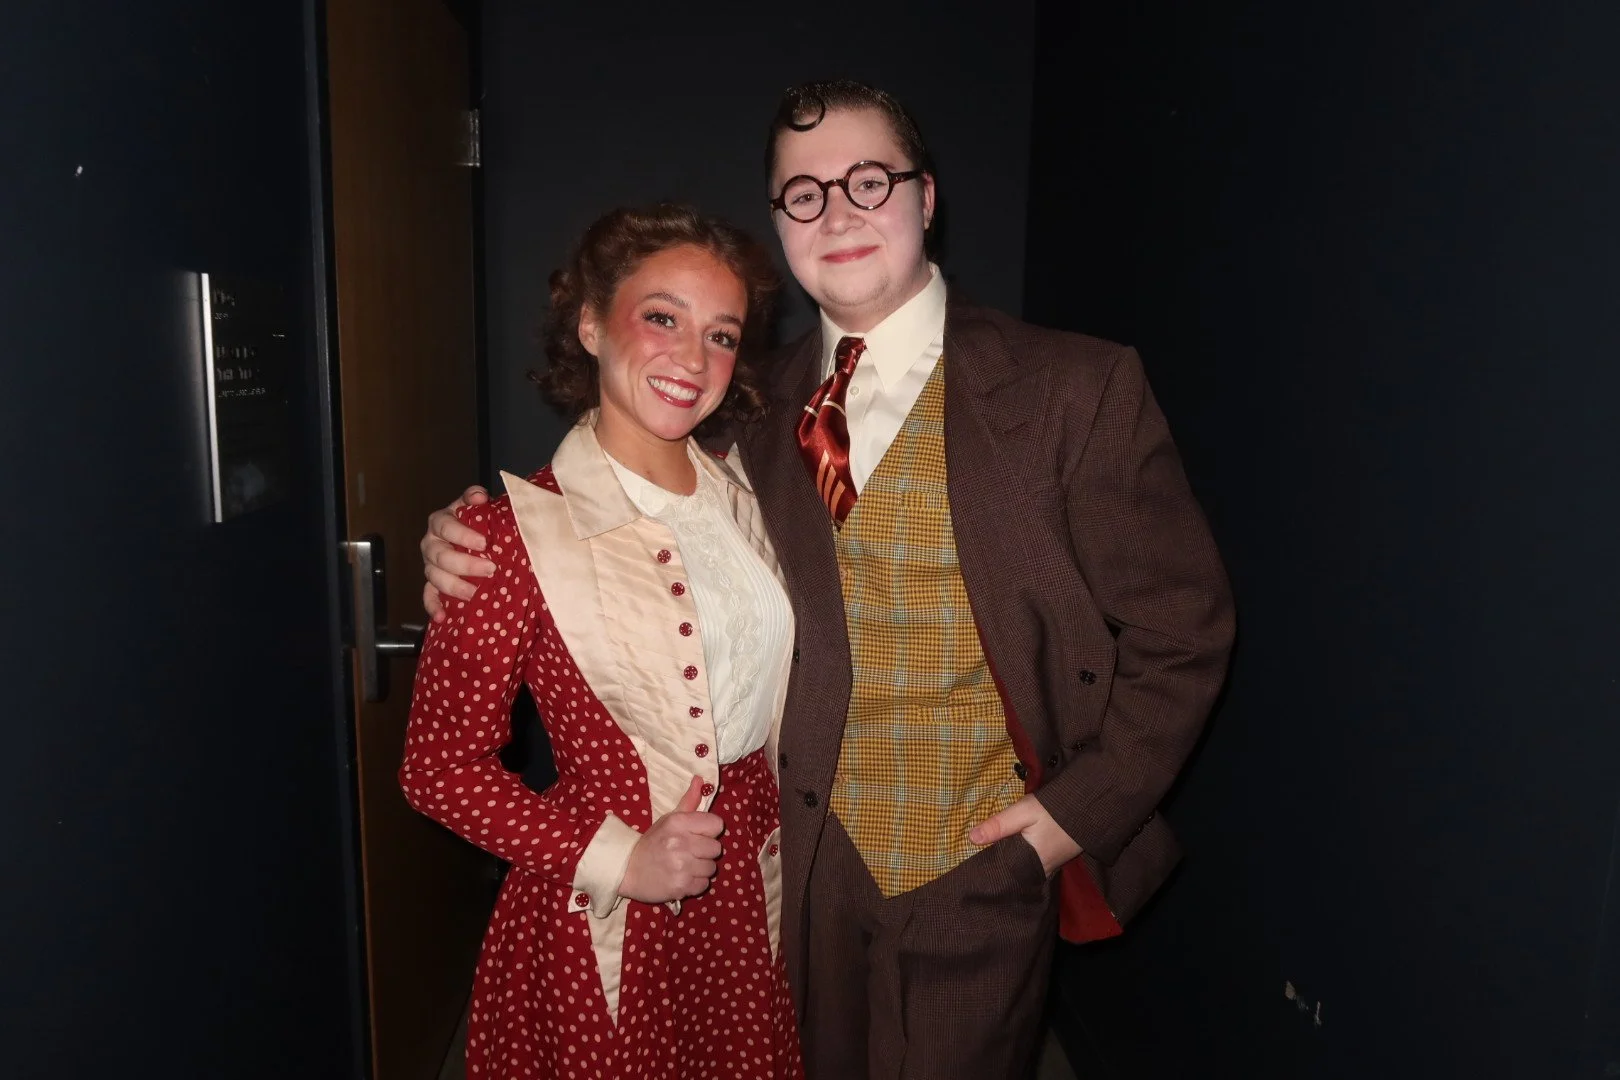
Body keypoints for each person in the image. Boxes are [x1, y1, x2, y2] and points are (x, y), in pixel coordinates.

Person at [422, 82, 1234, 1079]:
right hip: (794, 880)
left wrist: (1077, 814)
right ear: (779, 220)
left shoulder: (1076, 387)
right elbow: (622, 509)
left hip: (982, 861)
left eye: (869, 181)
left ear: (925, 197)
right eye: (804, 193)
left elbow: (1185, 630)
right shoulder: (745, 413)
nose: (838, 212)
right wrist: (467, 540)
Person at [399, 203, 803, 1080]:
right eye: (662, 317)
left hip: (749, 886)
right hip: (607, 912)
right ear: (590, 324)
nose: (693, 359)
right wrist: (621, 858)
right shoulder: (511, 535)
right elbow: (437, 769)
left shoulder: (753, 495)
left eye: (722, 335)